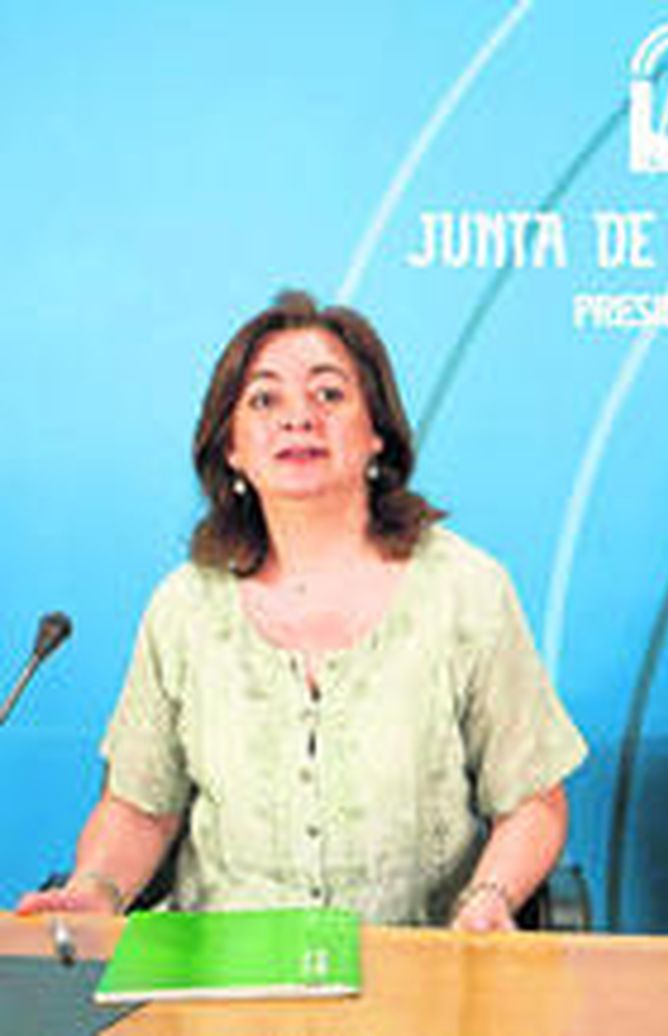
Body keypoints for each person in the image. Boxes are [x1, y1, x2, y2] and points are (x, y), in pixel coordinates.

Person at [16, 290, 586, 930]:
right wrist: (97, 889)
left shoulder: (466, 590)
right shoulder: (184, 607)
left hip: (414, 965)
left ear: (376, 434)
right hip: (218, 971)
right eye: (265, 400)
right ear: (231, 448)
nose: (299, 419)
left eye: (329, 394)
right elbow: (141, 809)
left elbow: (533, 801)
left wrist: (491, 897)